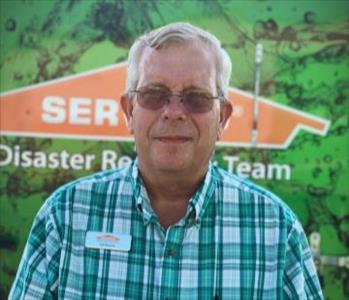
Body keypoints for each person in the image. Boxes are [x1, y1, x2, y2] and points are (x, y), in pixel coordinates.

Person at [9, 22, 323, 299]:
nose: (173, 112)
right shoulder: (65, 216)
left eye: (196, 98)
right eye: (154, 95)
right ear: (130, 111)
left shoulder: (275, 230)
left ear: (223, 118)